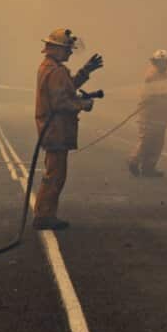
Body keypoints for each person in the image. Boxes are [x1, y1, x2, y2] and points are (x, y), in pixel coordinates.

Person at [33, 28, 103, 231]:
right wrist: (83, 105)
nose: (70, 53)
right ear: (55, 49)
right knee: (55, 175)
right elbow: (60, 102)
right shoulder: (55, 70)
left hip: (53, 128)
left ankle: (45, 213)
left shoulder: (50, 67)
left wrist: (85, 72)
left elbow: (67, 88)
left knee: (54, 173)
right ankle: (44, 216)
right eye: (67, 49)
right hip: (55, 129)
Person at [127, 49, 167, 177]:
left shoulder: (162, 75)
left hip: (160, 114)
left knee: (157, 142)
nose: (165, 65)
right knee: (147, 140)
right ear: (156, 62)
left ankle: (148, 168)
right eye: (162, 62)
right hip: (150, 114)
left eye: (166, 62)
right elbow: (163, 91)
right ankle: (134, 161)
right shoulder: (153, 75)